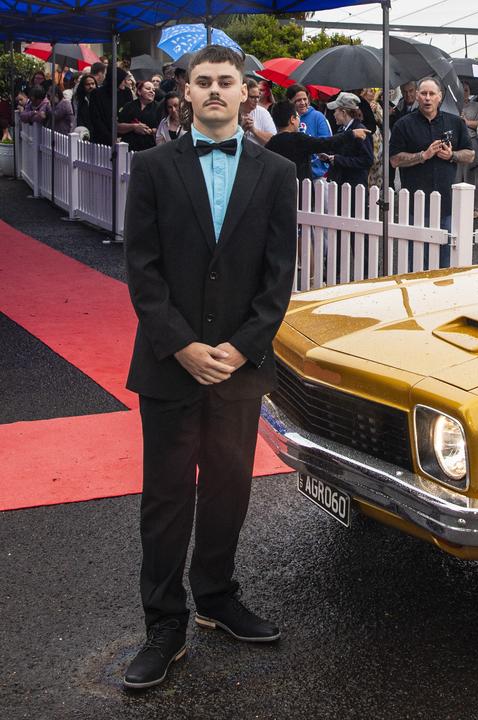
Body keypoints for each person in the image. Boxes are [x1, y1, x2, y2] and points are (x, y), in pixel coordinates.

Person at [121, 43, 297, 691]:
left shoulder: (277, 172)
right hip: (171, 365)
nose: (216, 91)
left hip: (240, 367)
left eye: (227, 81)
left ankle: (218, 597)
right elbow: (142, 269)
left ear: (246, 91)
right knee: (166, 499)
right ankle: (163, 626)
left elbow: (279, 277)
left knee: (229, 488)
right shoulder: (152, 167)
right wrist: (184, 346)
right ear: (186, 93)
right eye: (204, 82)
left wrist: (243, 347)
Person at [388, 77, 474, 230]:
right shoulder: (403, 124)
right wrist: (423, 156)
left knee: (445, 251)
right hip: (415, 203)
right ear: (417, 96)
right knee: (416, 252)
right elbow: (394, 160)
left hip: (446, 204)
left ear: (439, 96)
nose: (427, 98)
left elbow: (470, 155)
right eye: (423, 93)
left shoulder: (455, 122)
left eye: (432, 94)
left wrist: (452, 155)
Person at [266, 101, 370, 182]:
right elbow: (325, 143)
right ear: (292, 119)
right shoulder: (299, 139)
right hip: (302, 192)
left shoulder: (271, 143)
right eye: (297, 116)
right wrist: (352, 134)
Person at [318, 92, 374, 189]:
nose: (334, 114)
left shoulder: (361, 131)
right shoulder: (341, 130)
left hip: (355, 187)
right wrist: (328, 157)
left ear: (343, 112)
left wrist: (338, 159)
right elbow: (340, 153)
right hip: (341, 184)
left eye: (335, 111)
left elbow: (367, 160)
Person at [286, 83, 331, 179]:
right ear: (290, 101)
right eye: (298, 100)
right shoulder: (287, 119)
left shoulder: (318, 117)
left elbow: (326, 143)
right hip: (294, 174)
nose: (302, 102)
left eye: (304, 99)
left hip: (316, 175)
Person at [457, 82, 478, 214]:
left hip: (473, 141)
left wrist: (466, 122)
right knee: (456, 176)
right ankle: (456, 206)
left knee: (474, 176)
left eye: (466, 90)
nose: (464, 92)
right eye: (461, 90)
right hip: (456, 144)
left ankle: (475, 208)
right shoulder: (452, 105)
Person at [118, 80, 162, 152]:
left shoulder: (159, 107)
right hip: (129, 148)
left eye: (153, 90)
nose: (152, 91)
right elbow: (118, 127)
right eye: (148, 89)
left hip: (150, 148)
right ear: (139, 91)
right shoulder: (129, 106)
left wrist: (151, 131)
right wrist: (134, 127)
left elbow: (164, 128)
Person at [239, 79, 276, 146]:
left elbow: (274, 141)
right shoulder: (231, 112)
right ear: (243, 95)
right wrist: (241, 130)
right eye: (252, 97)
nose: (256, 100)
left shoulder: (263, 112)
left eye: (258, 97)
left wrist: (254, 130)